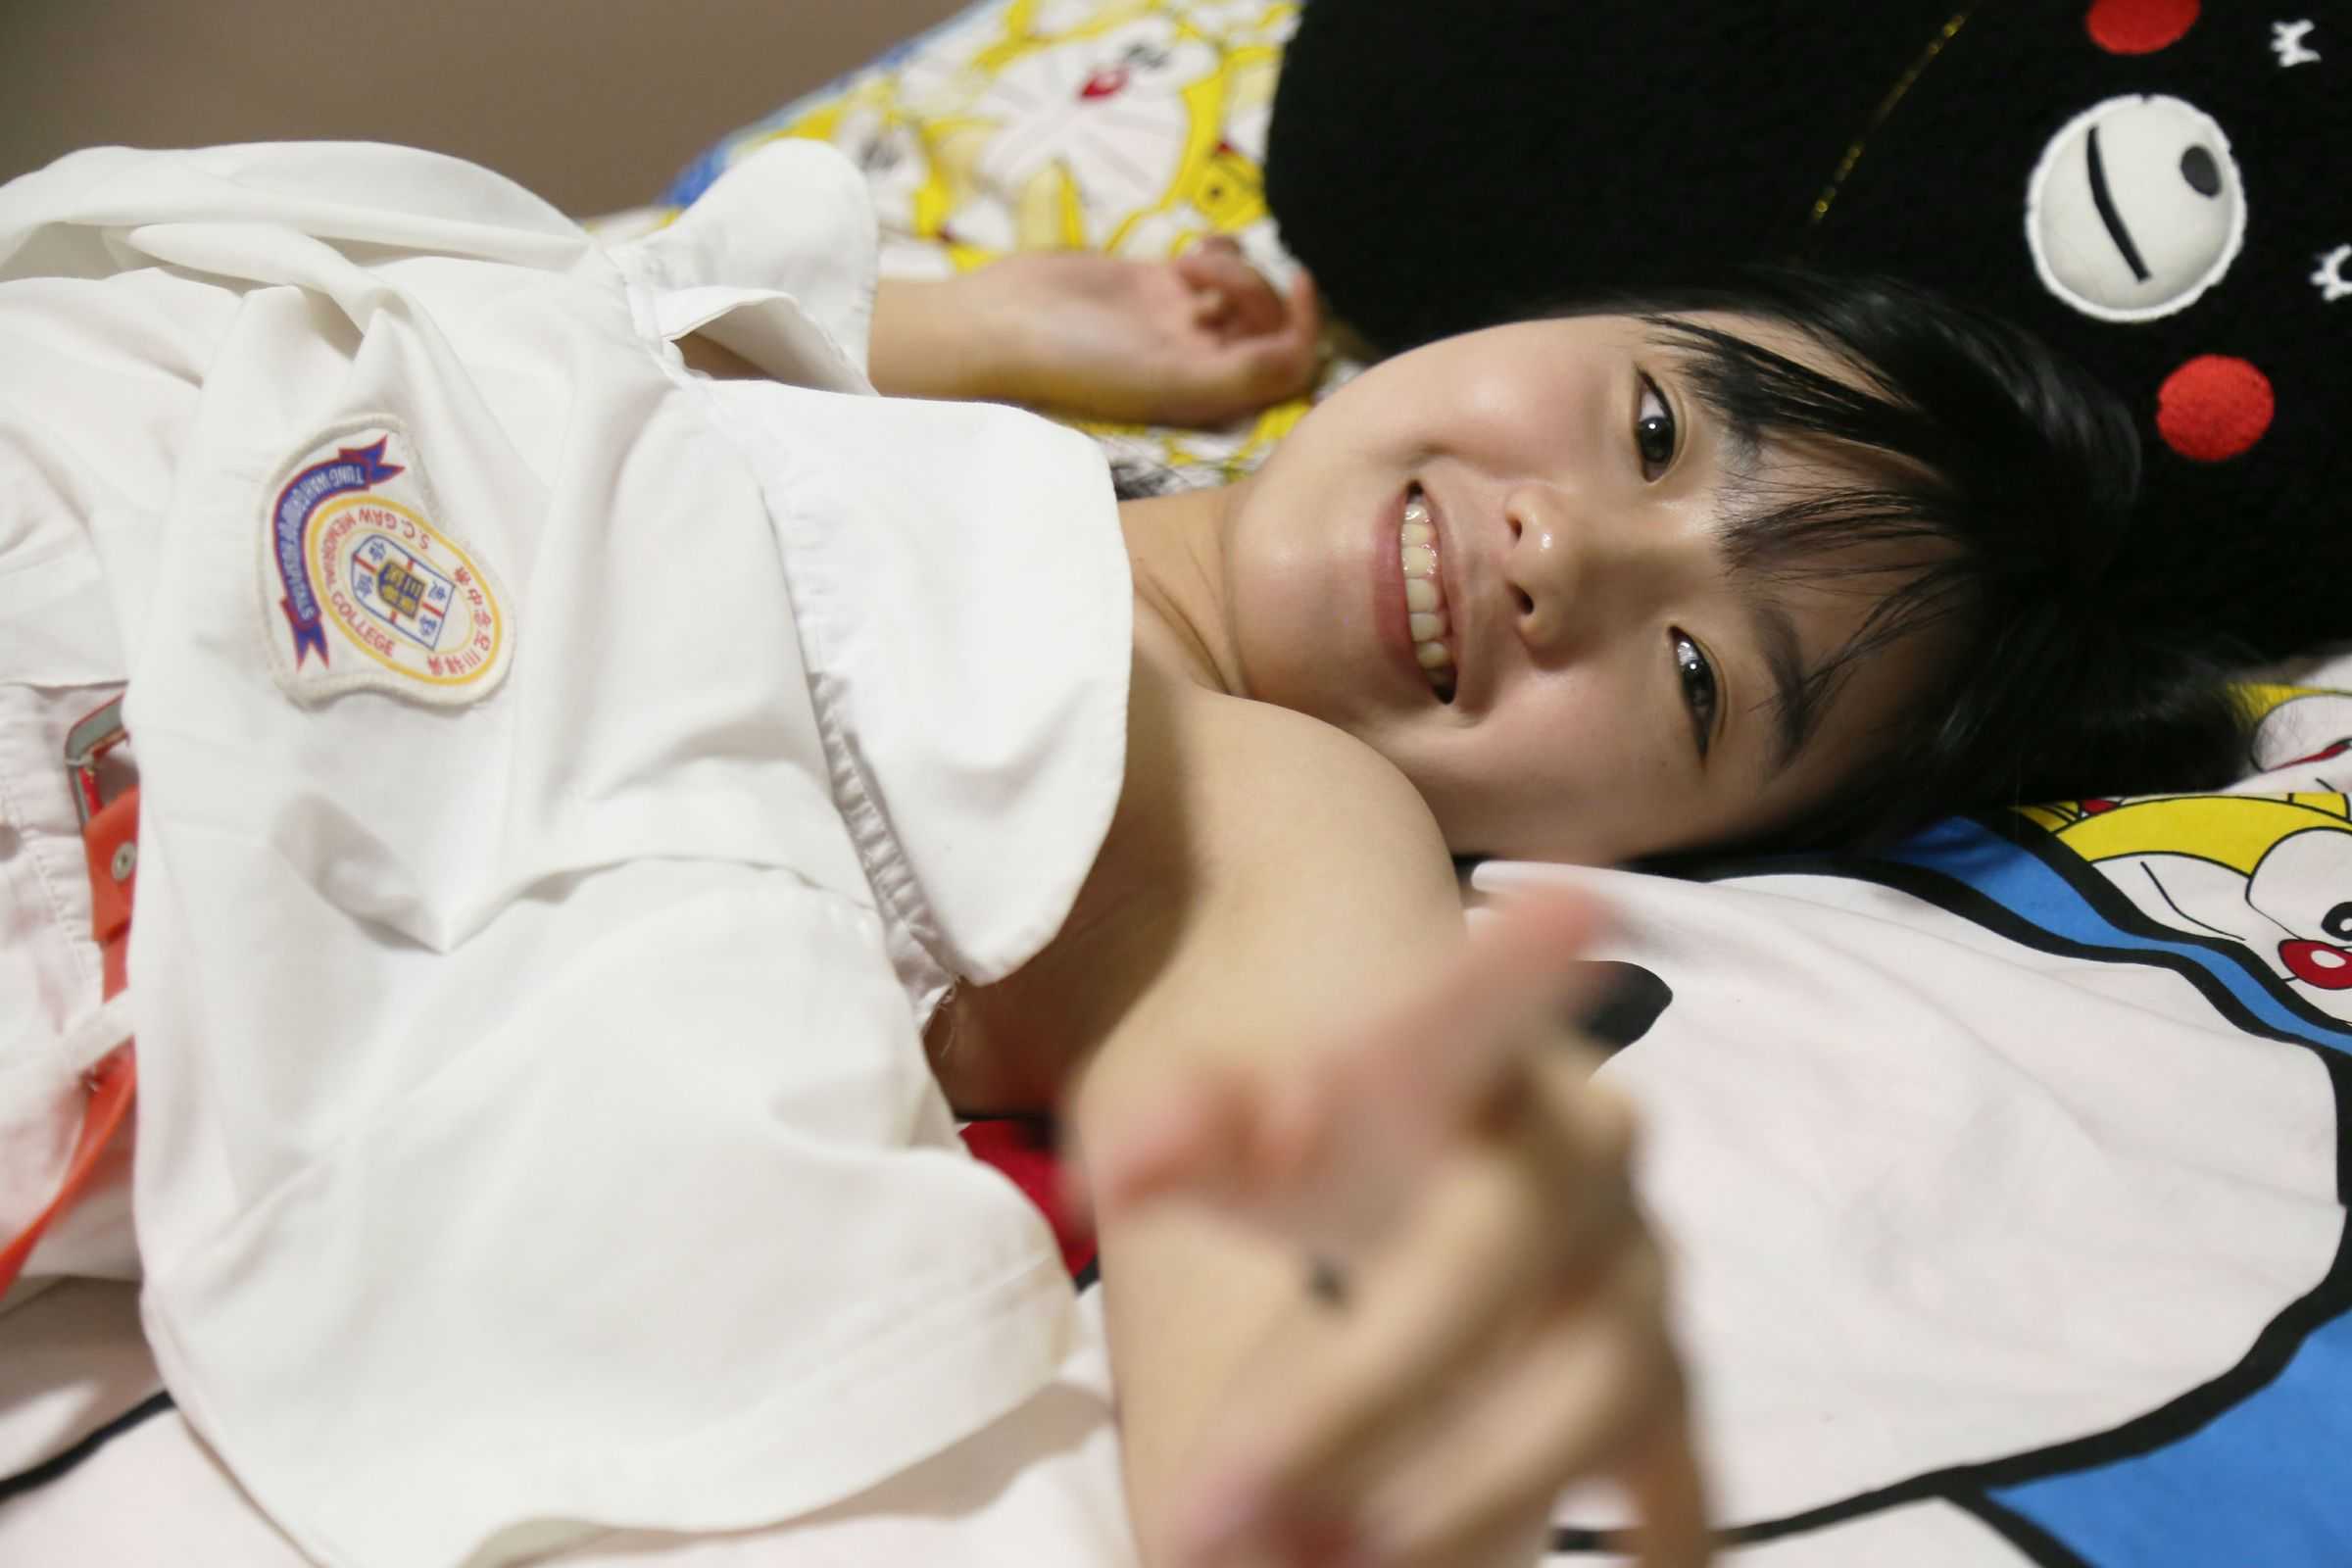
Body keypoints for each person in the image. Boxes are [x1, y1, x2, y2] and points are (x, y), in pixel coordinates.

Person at [0, 134, 2250, 1568]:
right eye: (1655, 422)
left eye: (1694, 680)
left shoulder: (1265, 799)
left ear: (1686, 849)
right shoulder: (921, 422)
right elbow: (611, 349)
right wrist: (995, 329)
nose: (1571, 548)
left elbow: (1288, 1388)